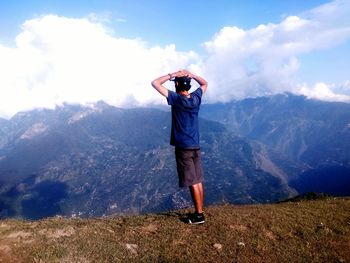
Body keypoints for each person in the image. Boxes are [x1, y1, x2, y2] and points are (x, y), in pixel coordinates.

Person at [151, 69, 208, 224]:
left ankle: (199, 216)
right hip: (195, 145)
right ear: (188, 85)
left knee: (192, 181)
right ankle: (200, 211)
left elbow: (155, 83)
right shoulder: (196, 98)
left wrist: (172, 74)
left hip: (184, 147)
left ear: (176, 84)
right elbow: (204, 83)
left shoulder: (176, 99)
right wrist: (193, 75)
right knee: (198, 179)